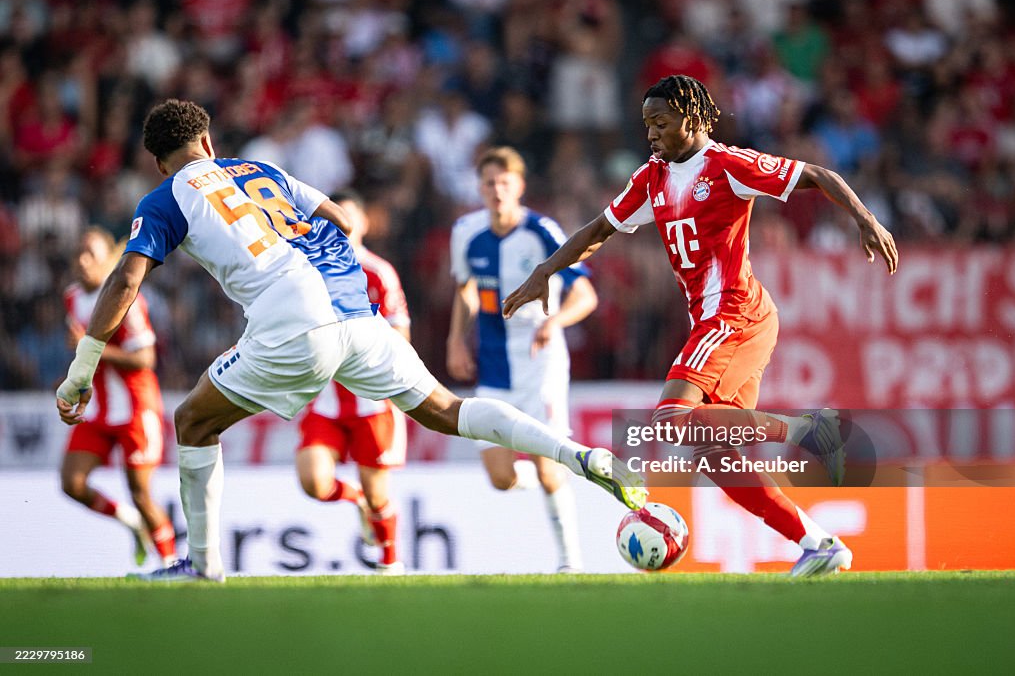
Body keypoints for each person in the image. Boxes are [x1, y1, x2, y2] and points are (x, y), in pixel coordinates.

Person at [55, 99, 645, 582]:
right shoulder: (262, 171)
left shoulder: (165, 198)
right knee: (446, 410)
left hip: (291, 325)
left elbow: (126, 277)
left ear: (162, 164)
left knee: (193, 423)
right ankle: (581, 457)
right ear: (209, 143)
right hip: (359, 313)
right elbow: (341, 219)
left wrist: (81, 370)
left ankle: (204, 568)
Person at [504, 75, 900, 577]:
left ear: (690, 120)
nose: (650, 134)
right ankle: (819, 544)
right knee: (718, 458)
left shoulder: (729, 165)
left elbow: (816, 174)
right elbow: (599, 230)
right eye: (646, 124)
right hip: (720, 321)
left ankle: (808, 430)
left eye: (660, 123)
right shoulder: (651, 177)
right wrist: (545, 270)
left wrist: (865, 218)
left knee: (669, 419)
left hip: (733, 315)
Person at [448, 147, 597, 573]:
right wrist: (455, 340)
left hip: (540, 365)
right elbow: (464, 289)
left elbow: (585, 295)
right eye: (490, 183)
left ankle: (571, 562)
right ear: (480, 188)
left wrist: (555, 323)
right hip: (494, 364)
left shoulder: (542, 232)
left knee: (550, 473)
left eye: (505, 183)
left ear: (520, 187)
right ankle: (546, 471)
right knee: (500, 478)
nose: (497, 191)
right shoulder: (466, 232)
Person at [295, 190, 409, 574]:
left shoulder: (377, 272)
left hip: (371, 402)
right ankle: (355, 498)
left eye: (347, 217)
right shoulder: (305, 272)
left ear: (362, 223)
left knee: (381, 495)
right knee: (314, 481)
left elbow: (400, 335)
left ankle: (390, 564)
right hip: (325, 400)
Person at [60, 227, 177, 569]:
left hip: (136, 409)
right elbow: (84, 357)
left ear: (107, 259)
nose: (82, 262)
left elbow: (145, 359)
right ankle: (129, 522)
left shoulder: (129, 299)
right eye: (78, 254)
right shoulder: (71, 297)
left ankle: (171, 566)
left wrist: (91, 347)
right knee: (72, 482)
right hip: (98, 410)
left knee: (141, 493)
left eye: (91, 255)